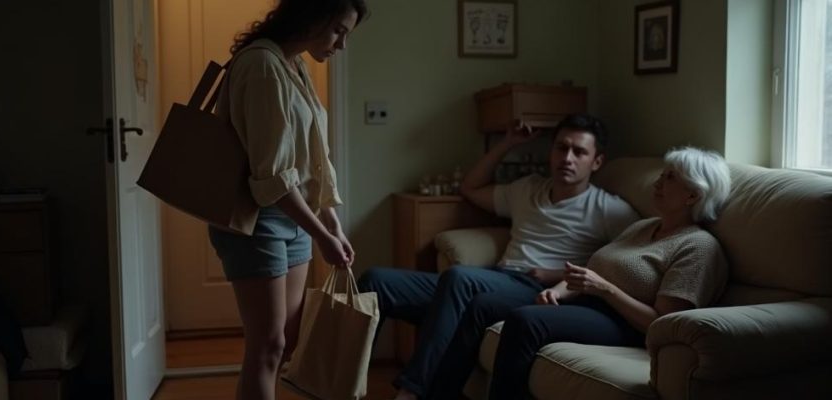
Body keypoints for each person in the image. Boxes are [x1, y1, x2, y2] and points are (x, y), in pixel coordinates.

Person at [357, 114, 640, 400]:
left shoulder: (609, 209)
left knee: (460, 278)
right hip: (497, 277)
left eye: (579, 152)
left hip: (537, 289)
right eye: (561, 148)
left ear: (596, 162)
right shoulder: (527, 188)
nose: (567, 158)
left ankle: (412, 392)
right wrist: (508, 143)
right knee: (377, 281)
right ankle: (343, 384)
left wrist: (557, 276)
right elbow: (470, 188)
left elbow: (628, 261)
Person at [428, 146, 732, 399]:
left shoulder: (698, 246)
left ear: (693, 195)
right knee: (483, 304)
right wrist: (557, 291)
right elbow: (591, 271)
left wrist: (605, 290)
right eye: (662, 174)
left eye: (670, 177)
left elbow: (661, 323)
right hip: (588, 303)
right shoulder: (643, 227)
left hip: (626, 325)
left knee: (525, 321)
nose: (658, 182)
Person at [206, 1, 368, 399]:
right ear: (312, 16)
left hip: (295, 216)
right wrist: (322, 236)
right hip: (257, 220)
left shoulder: (294, 65)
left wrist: (331, 224)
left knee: (284, 343)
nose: (342, 45)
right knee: (268, 345)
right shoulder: (262, 65)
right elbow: (272, 177)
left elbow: (311, 160)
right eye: (338, 31)